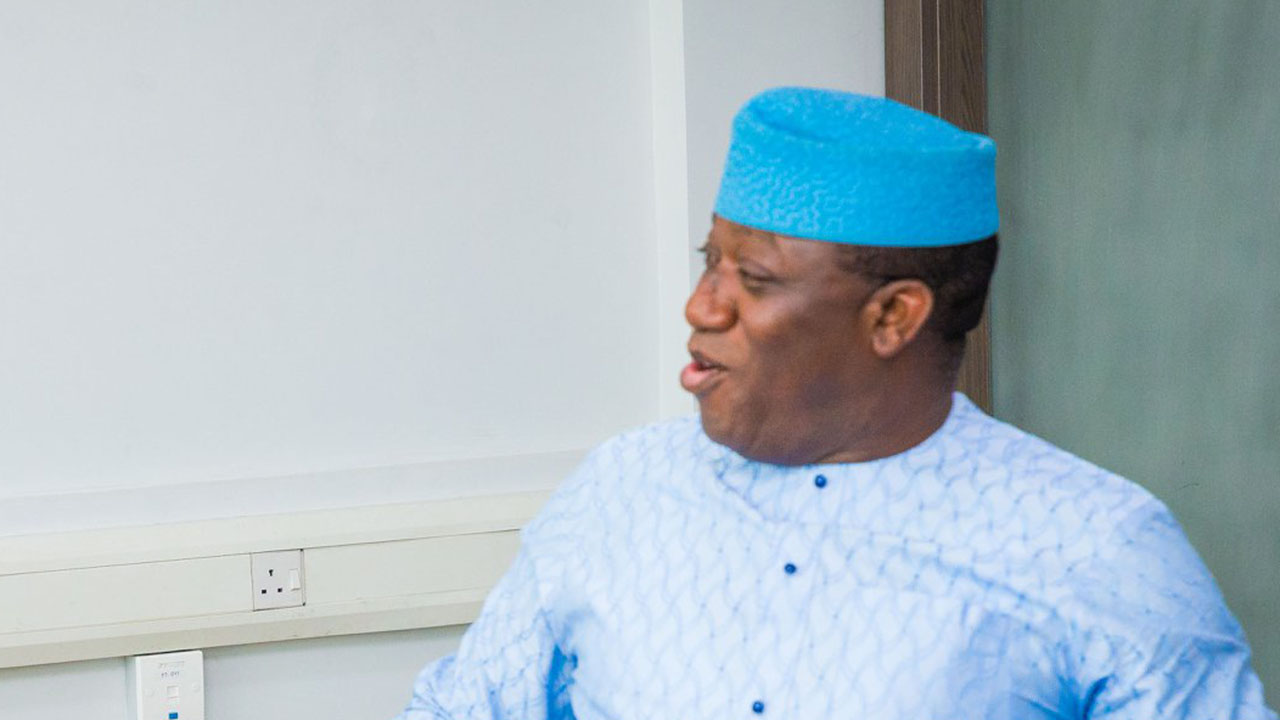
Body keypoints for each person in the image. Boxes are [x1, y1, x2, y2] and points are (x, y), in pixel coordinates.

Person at [396, 87, 1275, 719]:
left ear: (893, 317)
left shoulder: (1096, 547)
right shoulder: (620, 491)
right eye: (709, 263)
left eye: (754, 279)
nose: (701, 308)